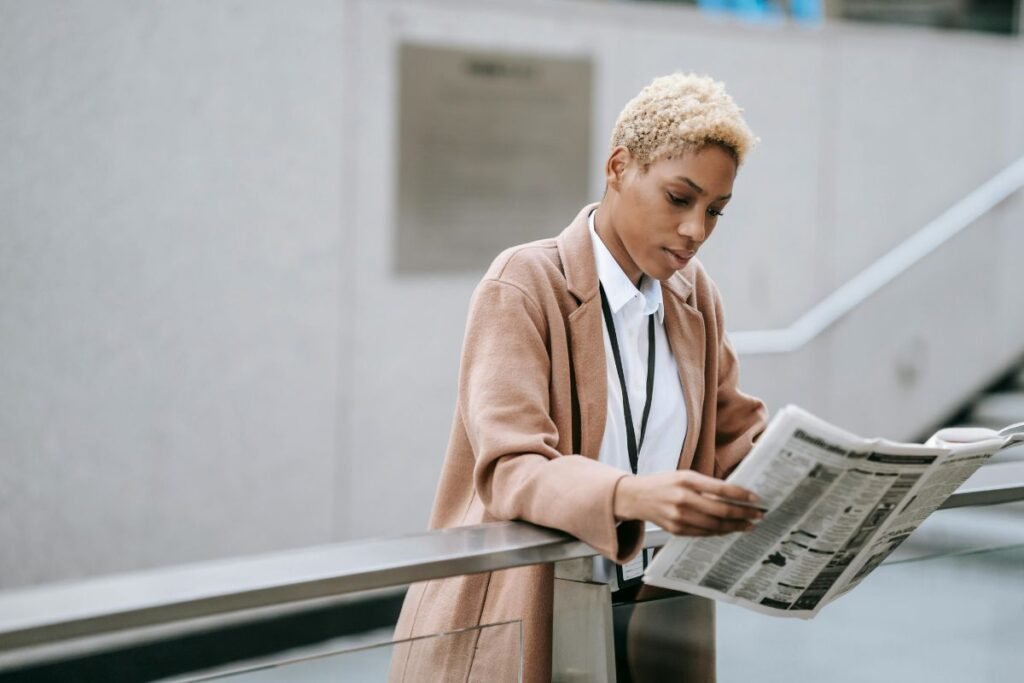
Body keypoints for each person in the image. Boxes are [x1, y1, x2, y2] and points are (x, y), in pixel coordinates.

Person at [389, 72, 769, 682]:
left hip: (656, 616)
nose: (696, 230)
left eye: (715, 211)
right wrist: (631, 495)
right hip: (528, 610)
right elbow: (511, 469)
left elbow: (740, 444)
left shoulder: (696, 298)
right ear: (619, 167)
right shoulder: (523, 283)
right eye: (680, 198)